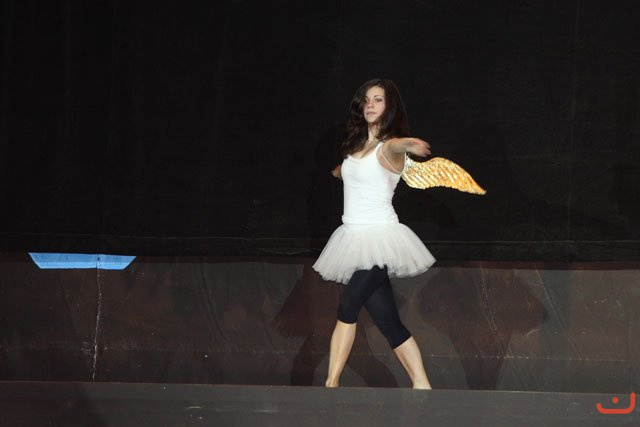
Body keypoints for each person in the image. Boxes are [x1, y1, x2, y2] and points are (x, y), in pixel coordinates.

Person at [312, 78, 436, 389]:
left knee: (347, 306)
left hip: (379, 241)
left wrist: (409, 144)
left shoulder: (389, 147)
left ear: (389, 106)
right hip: (352, 238)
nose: (370, 105)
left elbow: (395, 145)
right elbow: (347, 173)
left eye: (378, 99)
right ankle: (423, 386)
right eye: (367, 100)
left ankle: (331, 385)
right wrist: (340, 171)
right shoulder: (356, 148)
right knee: (389, 323)